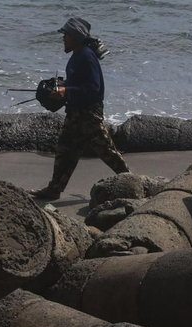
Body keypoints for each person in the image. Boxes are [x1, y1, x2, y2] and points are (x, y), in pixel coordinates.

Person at [31, 17, 130, 201]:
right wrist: (60, 88)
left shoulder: (87, 57)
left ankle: (131, 181)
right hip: (75, 112)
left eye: (66, 35)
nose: (63, 38)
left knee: (106, 150)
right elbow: (78, 83)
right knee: (65, 150)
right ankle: (54, 189)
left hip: (89, 114)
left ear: (76, 36)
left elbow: (94, 88)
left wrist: (67, 91)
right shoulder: (76, 56)